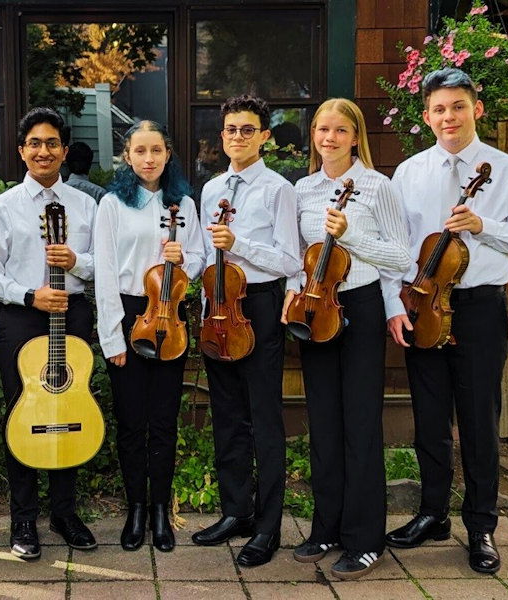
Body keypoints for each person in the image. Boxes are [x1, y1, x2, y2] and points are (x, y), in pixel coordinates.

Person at [384, 68, 508, 574]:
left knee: (478, 420)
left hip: (478, 308)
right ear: (427, 116)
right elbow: (397, 248)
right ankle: (433, 514)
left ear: (476, 109)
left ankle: (481, 526)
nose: (447, 116)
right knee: (429, 419)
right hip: (423, 304)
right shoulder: (409, 172)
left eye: (457, 106)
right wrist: (398, 302)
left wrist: (483, 225)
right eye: (438, 108)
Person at [281, 98, 411, 579]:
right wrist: (293, 293)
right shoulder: (304, 188)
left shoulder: (379, 187)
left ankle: (365, 539)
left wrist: (352, 234)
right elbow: (297, 253)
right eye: (321, 129)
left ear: (356, 137)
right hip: (315, 310)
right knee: (324, 423)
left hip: (359, 308)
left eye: (339, 130)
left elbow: (401, 257)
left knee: (360, 425)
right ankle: (327, 527)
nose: (329, 138)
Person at [0, 107, 98, 559]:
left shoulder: (87, 205)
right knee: (22, 414)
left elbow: (106, 267)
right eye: (34, 144)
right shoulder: (3, 207)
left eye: (51, 144)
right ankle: (23, 517)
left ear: (64, 151)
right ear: (21, 150)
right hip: (23, 317)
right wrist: (29, 295)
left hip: (73, 312)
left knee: (70, 405)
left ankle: (65, 513)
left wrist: (77, 263)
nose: (43, 151)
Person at [192, 94, 301, 566]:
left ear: (264, 137)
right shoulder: (211, 188)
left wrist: (241, 244)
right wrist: (201, 307)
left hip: (257, 305)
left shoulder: (278, 189)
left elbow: (289, 259)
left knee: (263, 416)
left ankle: (269, 526)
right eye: (231, 129)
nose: (238, 136)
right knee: (227, 415)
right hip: (218, 307)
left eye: (247, 129)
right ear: (222, 137)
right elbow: (204, 258)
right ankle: (235, 512)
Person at [94, 121, 205, 552]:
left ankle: (161, 509)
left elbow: (196, 260)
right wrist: (113, 339)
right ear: (127, 156)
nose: (148, 159)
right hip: (128, 314)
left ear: (168, 153)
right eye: (140, 151)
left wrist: (185, 260)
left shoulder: (183, 203)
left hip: (169, 317)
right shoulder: (112, 204)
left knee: (163, 421)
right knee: (130, 422)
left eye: (156, 150)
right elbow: (103, 272)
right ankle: (135, 508)